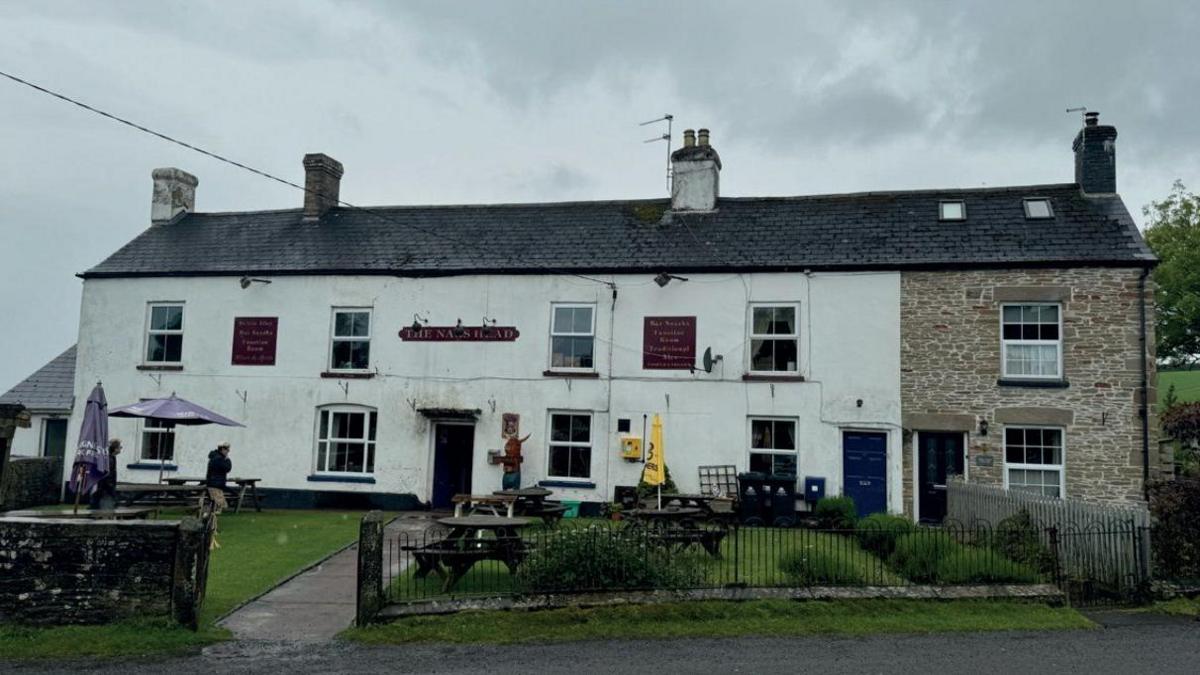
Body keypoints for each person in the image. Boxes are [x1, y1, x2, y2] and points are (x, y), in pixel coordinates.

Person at [89, 438, 122, 510]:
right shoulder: (109, 459)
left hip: (104, 487)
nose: (121, 448)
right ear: (115, 449)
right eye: (120, 447)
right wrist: (111, 488)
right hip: (105, 487)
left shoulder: (111, 457)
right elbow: (107, 475)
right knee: (106, 506)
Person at [205, 441, 233, 512]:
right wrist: (228, 459)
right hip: (216, 485)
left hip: (213, 483)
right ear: (223, 449)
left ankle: (211, 515)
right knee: (221, 505)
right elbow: (227, 468)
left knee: (216, 504)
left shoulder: (214, 457)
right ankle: (212, 518)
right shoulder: (219, 458)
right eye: (227, 450)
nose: (228, 452)